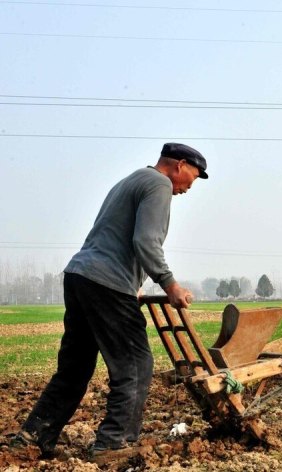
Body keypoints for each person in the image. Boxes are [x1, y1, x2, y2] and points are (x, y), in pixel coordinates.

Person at [12, 143, 208, 460]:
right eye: (193, 178)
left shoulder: (132, 179)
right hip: (106, 283)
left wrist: (134, 285)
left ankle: (34, 437)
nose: (189, 187)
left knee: (74, 369)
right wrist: (168, 283)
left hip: (81, 276)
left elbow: (112, 236)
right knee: (135, 363)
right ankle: (114, 442)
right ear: (179, 166)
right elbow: (146, 240)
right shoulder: (159, 184)